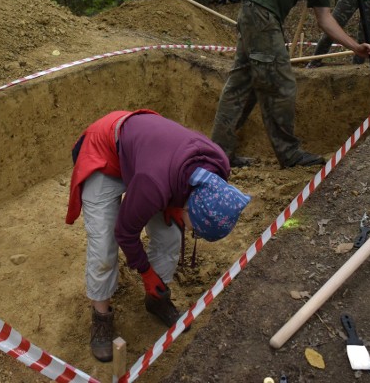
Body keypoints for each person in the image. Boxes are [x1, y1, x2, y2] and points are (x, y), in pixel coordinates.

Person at [66, 110, 252, 362]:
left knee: (170, 235)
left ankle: (156, 299)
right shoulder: (154, 184)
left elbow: (178, 178)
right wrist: (146, 272)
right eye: (195, 229)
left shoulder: (217, 168)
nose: (192, 234)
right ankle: (101, 315)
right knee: (104, 245)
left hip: (149, 158)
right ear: (190, 206)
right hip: (106, 152)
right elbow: (125, 232)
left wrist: (175, 207)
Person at [210, 0, 370, 169]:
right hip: (260, 12)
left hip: (260, 16)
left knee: (241, 88)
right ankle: (289, 154)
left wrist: (355, 46)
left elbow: (324, 19)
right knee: (281, 83)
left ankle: (219, 154)